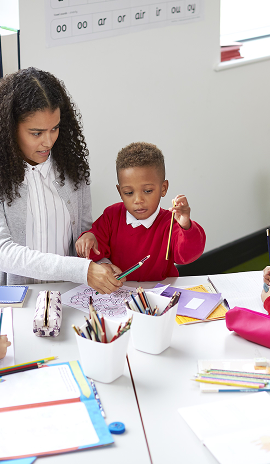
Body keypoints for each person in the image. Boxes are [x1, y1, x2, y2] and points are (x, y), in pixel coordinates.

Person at [0, 67, 123, 294]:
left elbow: (85, 239)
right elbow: (4, 253)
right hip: (19, 304)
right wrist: (81, 270)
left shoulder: (73, 170)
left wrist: (100, 263)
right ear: (9, 128)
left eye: (54, 128)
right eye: (36, 133)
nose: (48, 141)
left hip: (69, 299)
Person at [75, 142, 206, 281]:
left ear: (163, 188)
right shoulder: (112, 215)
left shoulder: (171, 223)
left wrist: (186, 226)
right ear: (120, 192)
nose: (138, 200)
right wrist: (88, 238)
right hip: (120, 295)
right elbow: (94, 251)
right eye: (129, 192)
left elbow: (187, 256)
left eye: (148, 191)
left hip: (159, 296)